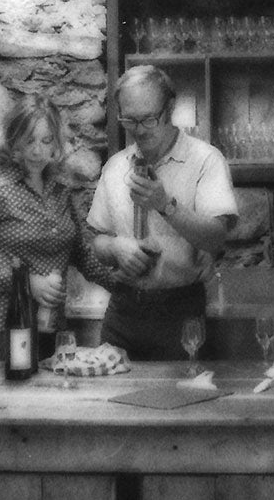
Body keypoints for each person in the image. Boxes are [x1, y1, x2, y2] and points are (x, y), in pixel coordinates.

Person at [87, 64, 240, 360]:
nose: (139, 130)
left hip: (180, 312)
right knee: (111, 403)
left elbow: (216, 239)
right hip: (122, 311)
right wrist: (116, 247)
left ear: (170, 108)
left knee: (181, 399)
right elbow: (96, 243)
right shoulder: (116, 166)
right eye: (129, 120)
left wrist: (165, 205)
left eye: (148, 119)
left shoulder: (205, 160)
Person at [0, 94, 117, 358]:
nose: (38, 151)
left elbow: (82, 255)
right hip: (2, 329)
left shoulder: (61, 190)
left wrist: (126, 287)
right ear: (14, 141)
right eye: (29, 140)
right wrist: (26, 283)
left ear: (56, 144)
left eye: (46, 140)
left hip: (51, 327)